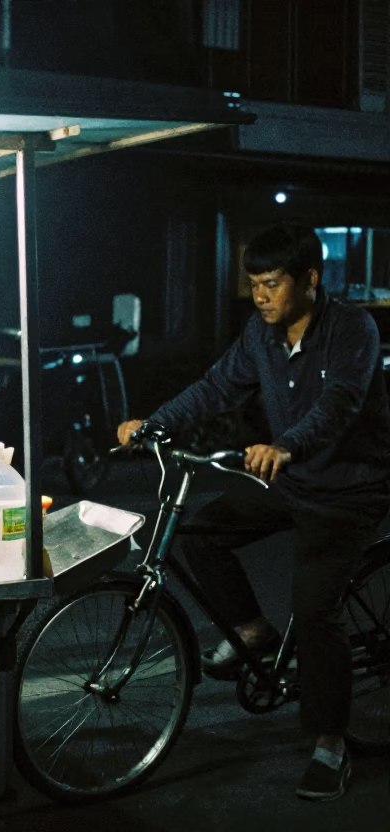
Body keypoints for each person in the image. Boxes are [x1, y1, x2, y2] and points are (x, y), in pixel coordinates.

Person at [117, 223, 390, 802]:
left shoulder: (352, 330)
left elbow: (339, 405)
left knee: (315, 609)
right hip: (290, 479)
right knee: (199, 532)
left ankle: (329, 744)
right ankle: (252, 630)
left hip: (349, 490)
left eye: (271, 284)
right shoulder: (260, 334)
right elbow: (217, 387)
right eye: (254, 285)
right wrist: (155, 423)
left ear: (310, 280)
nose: (260, 296)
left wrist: (286, 444)